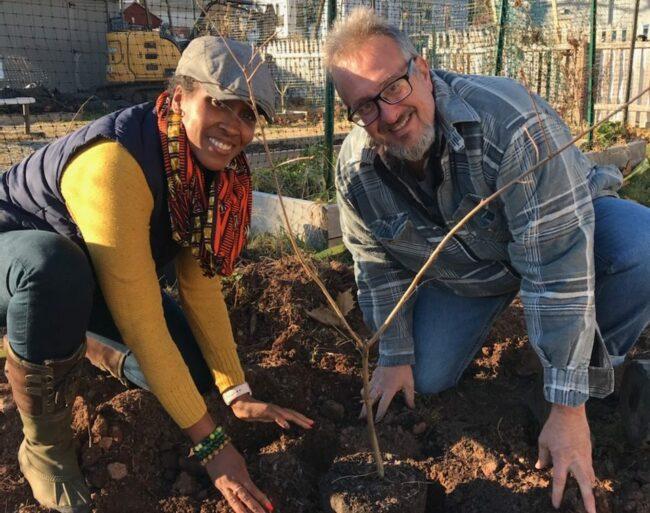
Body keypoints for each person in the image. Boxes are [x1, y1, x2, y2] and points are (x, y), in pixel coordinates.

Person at [324, 8, 650, 513]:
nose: (387, 114)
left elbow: (557, 267)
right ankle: (566, 377)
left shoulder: (509, 125)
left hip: (565, 230)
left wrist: (566, 405)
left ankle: (585, 384)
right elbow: (374, 262)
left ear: (424, 72)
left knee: (640, 250)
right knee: (424, 379)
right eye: (365, 106)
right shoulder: (357, 173)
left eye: (393, 88)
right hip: (469, 273)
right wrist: (393, 354)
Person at [0, 36, 313, 513]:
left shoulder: (212, 175)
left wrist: (235, 390)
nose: (234, 126)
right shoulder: (115, 164)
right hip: (17, 257)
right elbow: (143, 322)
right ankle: (44, 447)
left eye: (249, 114)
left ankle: (81, 339)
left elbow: (201, 288)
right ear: (181, 94)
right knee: (51, 268)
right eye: (221, 104)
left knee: (190, 371)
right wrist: (212, 448)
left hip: (89, 272)